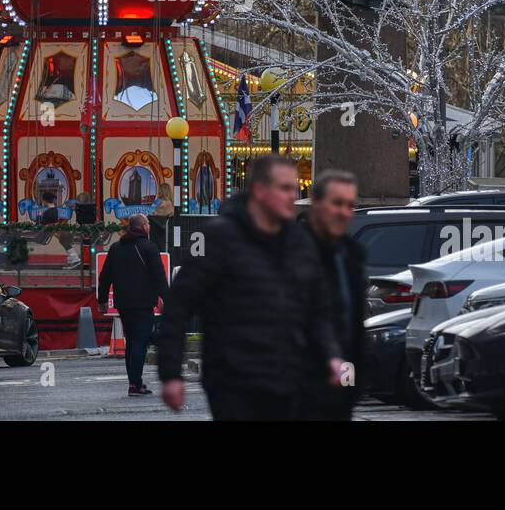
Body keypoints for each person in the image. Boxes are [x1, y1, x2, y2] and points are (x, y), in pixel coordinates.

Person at [156, 155, 343, 420]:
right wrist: (171, 374)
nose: (294, 195)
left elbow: (319, 309)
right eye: (285, 188)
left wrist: (332, 357)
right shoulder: (221, 238)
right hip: (234, 380)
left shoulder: (299, 243)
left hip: (288, 378)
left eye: (296, 188)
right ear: (260, 191)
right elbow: (180, 305)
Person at [302, 170, 367, 420]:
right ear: (316, 203)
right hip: (302, 380)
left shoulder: (351, 254)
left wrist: (352, 382)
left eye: (350, 205)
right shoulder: (293, 251)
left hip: (342, 377)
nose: (344, 212)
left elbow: (352, 323)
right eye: (336, 203)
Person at [97, 214, 168, 396]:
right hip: (143, 303)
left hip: (123, 303)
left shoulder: (115, 248)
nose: (149, 227)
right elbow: (159, 277)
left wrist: (102, 300)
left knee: (131, 342)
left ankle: (133, 383)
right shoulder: (149, 247)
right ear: (143, 226)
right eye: (148, 224)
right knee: (140, 341)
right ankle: (136, 384)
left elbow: (105, 276)